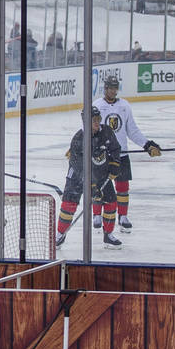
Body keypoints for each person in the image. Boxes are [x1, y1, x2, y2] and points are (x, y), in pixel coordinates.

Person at [92, 75, 160, 232]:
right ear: (105, 88)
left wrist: (147, 144)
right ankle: (97, 214)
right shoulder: (97, 105)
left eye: (115, 88)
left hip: (121, 154)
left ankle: (123, 217)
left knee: (122, 187)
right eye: (110, 88)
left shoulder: (125, 106)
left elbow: (132, 130)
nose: (113, 91)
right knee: (99, 186)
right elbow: (90, 128)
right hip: (102, 155)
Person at [54, 106, 123, 249]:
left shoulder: (107, 132)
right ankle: (60, 234)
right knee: (69, 204)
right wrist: (92, 186)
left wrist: (115, 164)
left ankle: (108, 235)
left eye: (98, 119)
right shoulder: (78, 139)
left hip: (101, 173)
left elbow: (115, 148)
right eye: (94, 120)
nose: (97, 123)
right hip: (78, 176)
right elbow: (79, 167)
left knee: (111, 202)